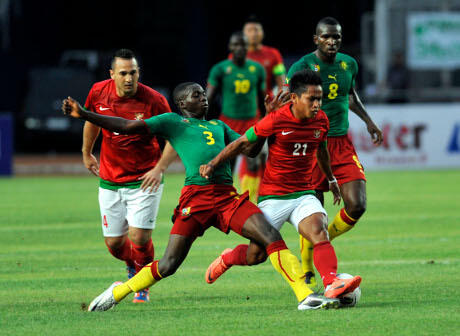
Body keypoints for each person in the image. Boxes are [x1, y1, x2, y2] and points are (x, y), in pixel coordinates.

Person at [62, 82, 341, 311]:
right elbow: (127, 126)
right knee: (169, 265)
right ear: (183, 103)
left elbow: (252, 150)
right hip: (195, 200)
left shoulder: (219, 126)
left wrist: (266, 120)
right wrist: (85, 114)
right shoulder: (173, 121)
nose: (203, 97)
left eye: (204, 94)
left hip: (227, 198)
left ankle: (305, 296)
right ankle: (119, 291)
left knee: (269, 235)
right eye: (197, 94)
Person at [200, 70, 362, 300]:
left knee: (319, 231)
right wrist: (213, 164)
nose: (317, 104)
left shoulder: (322, 120)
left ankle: (331, 282)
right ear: (294, 98)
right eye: (312, 99)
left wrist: (332, 179)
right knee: (255, 255)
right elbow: (242, 143)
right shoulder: (277, 119)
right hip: (273, 196)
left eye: (320, 98)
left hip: (303, 194)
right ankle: (228, 258)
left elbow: (322, 150)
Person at [286, 17, 383, 287]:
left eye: (337, 37)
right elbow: (289, 101)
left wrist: (368, 121)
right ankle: (307, 266)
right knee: (312, 209)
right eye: (327, 37)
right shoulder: (302, 66)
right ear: (316, 38)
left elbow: (350, 95)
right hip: (312, 144)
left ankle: (322, 239)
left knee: (357, 204)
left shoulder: (348, 64)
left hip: (341, 143)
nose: (332, 41)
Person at [82, 48, 176, 303]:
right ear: (112, 74)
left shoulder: (154, 100)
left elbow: (174, 136)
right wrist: (87, 152)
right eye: (123, 73)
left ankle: (141, 284)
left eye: (133, 72)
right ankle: (134, 265)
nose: (128, 78)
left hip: (144, 178)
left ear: (138, 73)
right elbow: (92, 121)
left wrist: (160, 168)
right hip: (110, 179)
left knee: (139, 237)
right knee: (114, 244)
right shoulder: (98, 92)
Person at [207, 31, 266, 203]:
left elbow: (262, 99)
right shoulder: (220, 69)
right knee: (227, 164)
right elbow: (208, 97)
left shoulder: (257, 69)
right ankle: (226, 199)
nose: (240, 48)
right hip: (228, 123)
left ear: (248, 47)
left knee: (254, 161)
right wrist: (204, 120)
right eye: (236, 45)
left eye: (243, 45)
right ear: (230, 47)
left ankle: (251, 202)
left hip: (251, 122)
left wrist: (266, 120)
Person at [241, 15, 286, 98]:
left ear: (262, 32)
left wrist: (280, 101)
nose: (253, 34)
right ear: (243, 33)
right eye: (249, 30)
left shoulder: (274, 54)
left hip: (267, 104)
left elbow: (282, 83)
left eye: (256, 30)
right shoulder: (235, 56)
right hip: (244, 105)